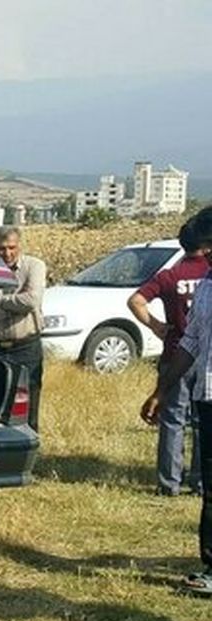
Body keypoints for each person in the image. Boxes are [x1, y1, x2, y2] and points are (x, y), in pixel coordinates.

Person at [142, 206, 212, 595]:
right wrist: (160, 390)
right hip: (208, 391)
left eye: (208, 250)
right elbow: (191, 342)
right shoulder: (206, 286)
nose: (205, 259)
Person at [128, 222, 208, 496]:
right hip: (205, 357)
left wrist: (156, 326)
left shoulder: (170, 275)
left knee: (172, 420)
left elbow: (135, 300)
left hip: (176, 353)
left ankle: (169, 482)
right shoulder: (207, 275)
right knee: (203, 422)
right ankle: (200, 480)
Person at [0, 225, 47, 431]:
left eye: (11, 247)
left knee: (29, 402)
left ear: (19, 246)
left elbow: (31, 300)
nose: (7, 253)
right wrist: (9, 311)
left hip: (26, 347)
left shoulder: (34, 266)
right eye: (1, 248)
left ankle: (29, 447)